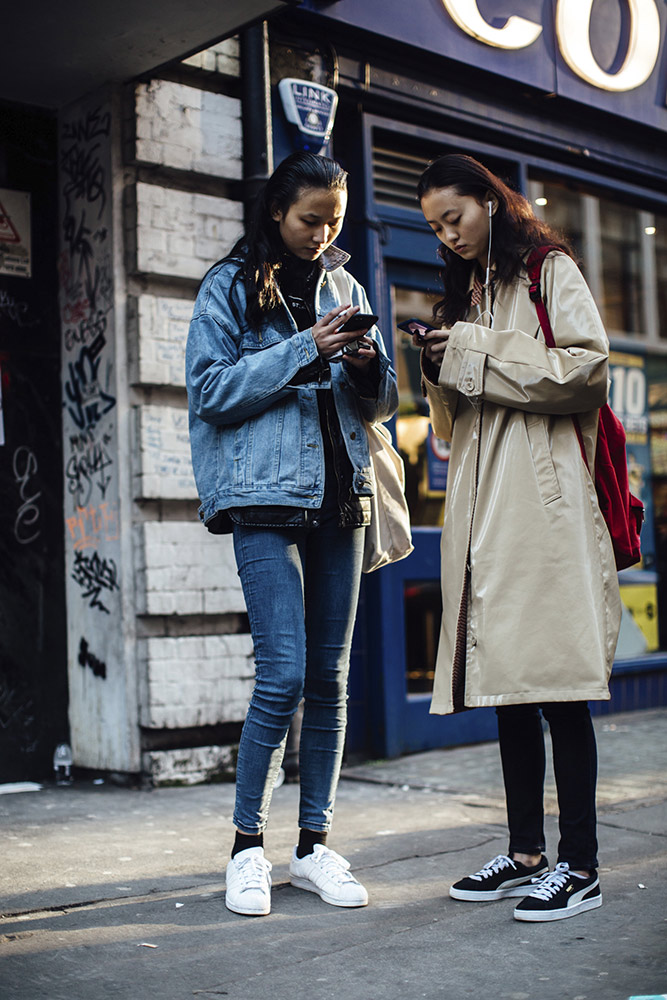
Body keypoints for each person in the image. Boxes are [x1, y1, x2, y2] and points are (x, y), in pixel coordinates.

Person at [186, 151, 398, 917]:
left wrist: (370, 366)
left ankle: (313, 847)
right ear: (277, 213)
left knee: (330, 680)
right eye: (311, 219)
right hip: (263, 500)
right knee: (281, 674)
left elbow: (380, 405)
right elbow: (210, 391)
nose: (322, 233)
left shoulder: (344, 284)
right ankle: (247, 847)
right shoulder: (229, 287)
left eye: (334, 220)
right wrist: (307, 345)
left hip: (341, 497)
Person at [414, 153, 622, 922]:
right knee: (508, 687)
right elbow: (455, 420)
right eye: (434, 225)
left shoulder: (546, 268)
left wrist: (468, 353)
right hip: (482, 503)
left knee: (557, 686)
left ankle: (582, 865)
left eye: (455, 216)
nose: (447, 234)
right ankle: (527, 851)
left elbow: (586, 370)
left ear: (490, 203)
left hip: (544, 504)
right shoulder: (467, 292)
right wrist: (438, 365)